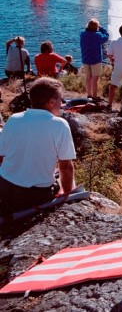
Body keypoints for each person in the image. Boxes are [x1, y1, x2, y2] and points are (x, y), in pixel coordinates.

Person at [0, 78, 75, 215]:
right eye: (60, 99)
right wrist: (67, 194)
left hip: (5, 188)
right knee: (63, 175)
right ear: (51, 101)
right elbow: (66, 167)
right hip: (35, 195)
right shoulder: (59, 125)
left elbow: (1, 156)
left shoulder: (13, 119)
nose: (62, 104)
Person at [79, 18, 109, 102]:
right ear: (96, 27)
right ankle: (94, 96)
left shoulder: (82, 34)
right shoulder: (98, 35)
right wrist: (102, 28)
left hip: (85, 59)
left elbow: (84, 32)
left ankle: (89, 94)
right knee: (95, 79)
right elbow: (106, 37)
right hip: (95, 60)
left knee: (88, 77)